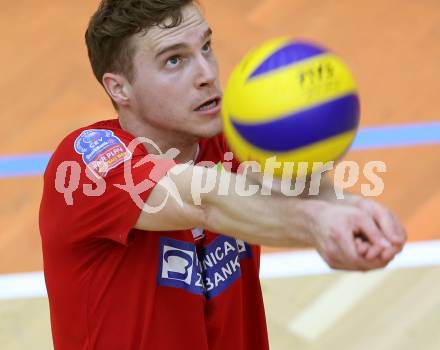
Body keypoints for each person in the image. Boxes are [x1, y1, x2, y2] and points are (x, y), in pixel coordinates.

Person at [39, 1, 406, 349]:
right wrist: (316, 225)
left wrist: (353, 209)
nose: (207, 74)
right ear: (119, 88)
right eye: (174, 61)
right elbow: (201, 198)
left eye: (206, 47)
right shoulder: (88, 164)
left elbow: (294, 186)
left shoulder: (231, 135)